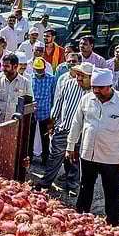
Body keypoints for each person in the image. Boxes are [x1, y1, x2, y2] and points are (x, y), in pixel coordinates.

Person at [66, 68, 119, 226]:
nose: (96, 91)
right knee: (85, 187)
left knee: (111, 192)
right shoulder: (87, 99)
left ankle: (112, 225)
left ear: (110, 86)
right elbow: (77, 123)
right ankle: (79, 221)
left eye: (100, 88)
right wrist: (70, 146)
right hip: (88, 154)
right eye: (94, 88)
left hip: (111, 157)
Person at [36, 62, 93, 191]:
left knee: (75, 159)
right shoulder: (68, 84)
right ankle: (45, 182)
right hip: (64, 129)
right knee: (55, 156)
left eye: (83, 76)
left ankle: (72, 184)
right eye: (78, 75)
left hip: (82, 133)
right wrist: (52, 120)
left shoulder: (95, 92)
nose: (78, 78)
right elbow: (59, 103)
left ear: (91, 78)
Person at [29, 58, 56, 165]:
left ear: (44, 68)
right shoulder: (30, 78)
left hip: (45, 112)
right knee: (30, 137)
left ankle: (45, 158)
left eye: (41, 70)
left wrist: (53, 114)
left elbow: (54, 96)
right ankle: (29, 157)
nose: (39, 73)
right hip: (32, 112)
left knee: (45, 137)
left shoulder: (51, 79)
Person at [0, 53, 33, 123]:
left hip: (16, 125)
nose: (4, 69)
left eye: (7, 66)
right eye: (3, 66)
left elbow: (29, 106)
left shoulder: (25, 83)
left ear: (15, 67)